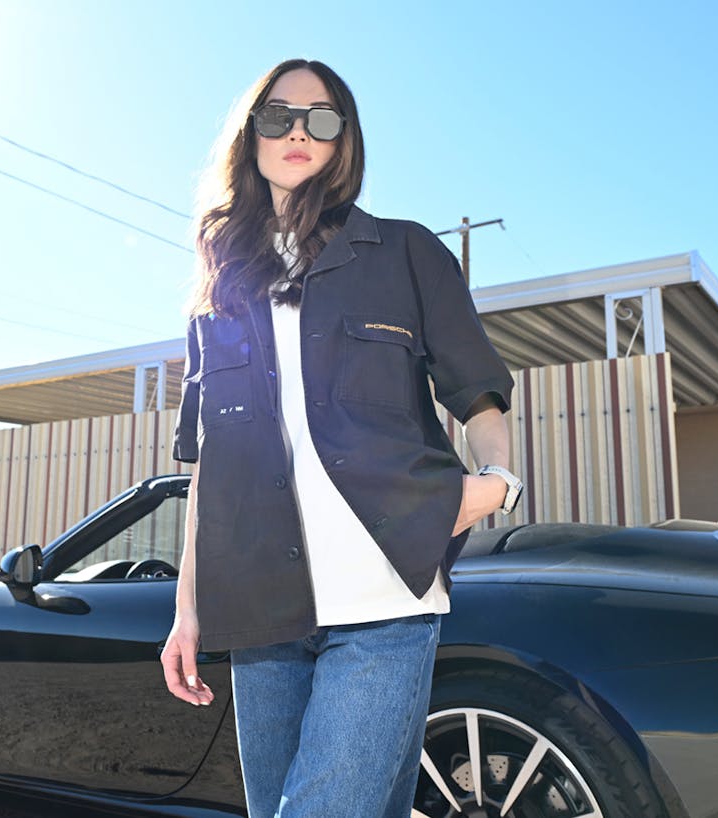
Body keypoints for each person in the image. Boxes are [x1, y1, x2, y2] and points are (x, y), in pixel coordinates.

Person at [160, 58, 520, 818]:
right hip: (262, 615)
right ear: (249, 134)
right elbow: (208, 472)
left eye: (321, 118)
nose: (298, 132)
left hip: (386, 598)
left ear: (342, 140)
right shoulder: (219, 296)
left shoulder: (406, 252)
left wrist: (495, 485)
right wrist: (188, 612)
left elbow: (478, 392)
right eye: (278, 116)